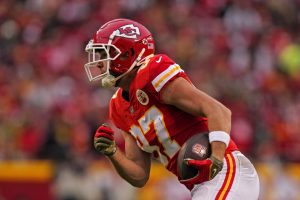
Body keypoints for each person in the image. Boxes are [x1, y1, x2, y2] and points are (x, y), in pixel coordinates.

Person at [85, 18, 260, 199]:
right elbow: (139, 175)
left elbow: (219, 111)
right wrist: (112, 152)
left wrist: (215, 159)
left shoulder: (152, 72)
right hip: (201, 186)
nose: (99, 62)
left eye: (104, 53)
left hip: (225, 171)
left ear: (127, 53)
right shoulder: (118, 107)